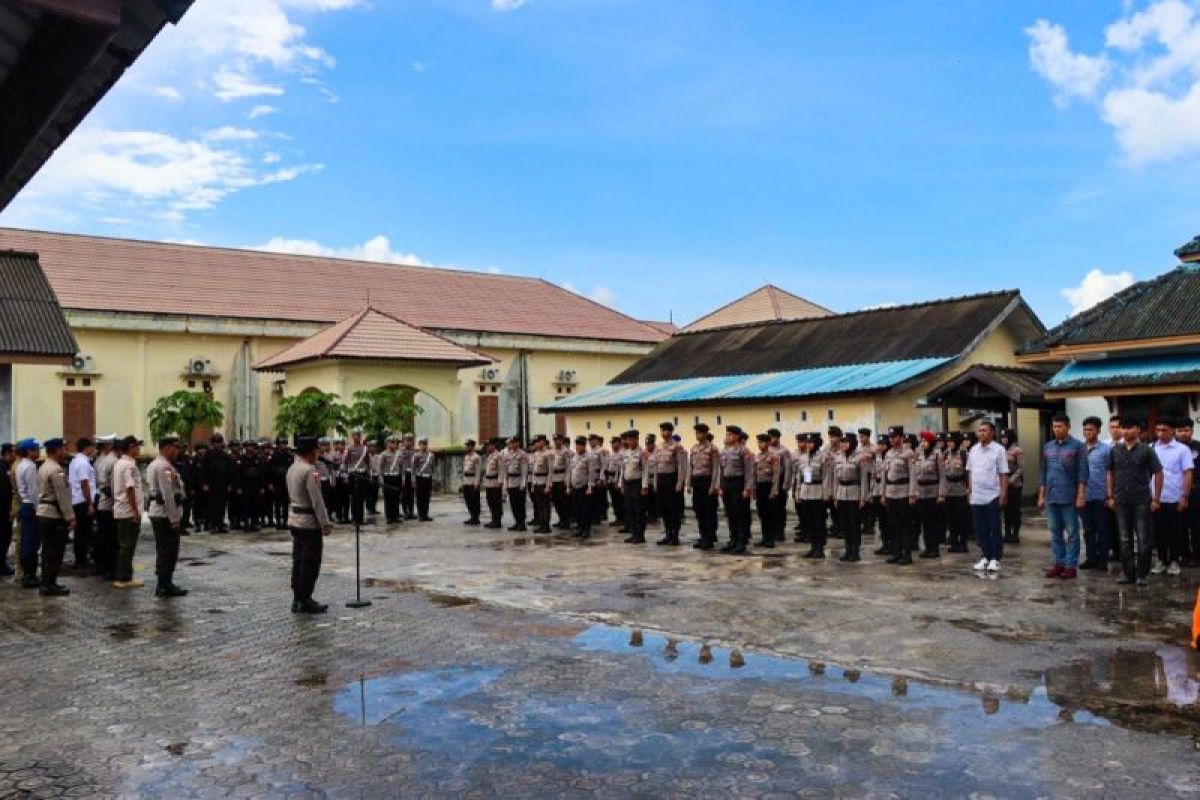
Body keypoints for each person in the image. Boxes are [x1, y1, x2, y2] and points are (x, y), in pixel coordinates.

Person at [1107, 418, 1162, 586]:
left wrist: (1156, 499)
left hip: (1141, 500)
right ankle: (1127, 573)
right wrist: (1110, 496)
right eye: (1124, 428)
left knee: (1143, 539)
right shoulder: (1116, 450)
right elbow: (1110, 473)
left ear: (1138, 429)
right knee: (1124, 539)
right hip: (1121, 500)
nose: (1126, 431)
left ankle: (1141, 574)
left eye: (1130, 428)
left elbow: (1158, 474)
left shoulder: (1147, 450)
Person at [287, 436, 333, 614]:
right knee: (310, 562)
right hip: (308, 523)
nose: (318, 454)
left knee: (298, 560)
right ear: (311, 452)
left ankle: (297, 597)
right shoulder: (309, 470)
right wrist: (325, 523)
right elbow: (317, 500)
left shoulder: (292, 468)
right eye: (316, 451)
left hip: (295, 520)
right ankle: (305, 598)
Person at [1038, 414, 1087, 579]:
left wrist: (1081, 494)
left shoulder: (1078, 446)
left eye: (1060, 426)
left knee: (1072, 532)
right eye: (1054, 426)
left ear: (1068, 427)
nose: (1056, 429)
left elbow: (1082, 473)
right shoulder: (1048, 447)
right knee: (1054, 531)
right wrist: (1041, 495)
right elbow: (1043, 472)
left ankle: (1071, 565)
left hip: (1069, 496)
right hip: (1051, 496)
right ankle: (1059, 562)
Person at [1149, 418, 1194, 576]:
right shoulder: (1151, 448)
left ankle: (1174, 561)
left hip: (1174, 497)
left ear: (1172, 431)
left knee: (1175, 532)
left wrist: (1184, 496)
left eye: (1164, 430)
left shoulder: (1182, 450)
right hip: (1156, 498)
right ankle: (1161, 560)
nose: (1160, 433)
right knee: (1158, 532)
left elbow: (1187, 474)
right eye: (1158, 430)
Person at [147, 436, 188, 597]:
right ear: (167, 448)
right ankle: (164, 585)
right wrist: (174, 518)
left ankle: (164, 582)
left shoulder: (156, 464)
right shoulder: (164, 467)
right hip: (164, 514)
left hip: (159, 512)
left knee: (164, 549)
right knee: (168, 550)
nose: (178, 452)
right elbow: (168, 494)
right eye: (175, 448)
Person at [34, 438, 75, 596]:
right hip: (53, 515)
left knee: (47, 551)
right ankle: (49, 583)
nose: (65, 452)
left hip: (44, 512)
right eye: (63, 449)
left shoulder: (43, 466)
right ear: (57, 450)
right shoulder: (55, 469)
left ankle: (47, 582)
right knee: (55, 551)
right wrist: (70, 517)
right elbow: (62, 496)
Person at [967, 421, 1009, 573]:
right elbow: (970, 472)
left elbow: (1003, 473)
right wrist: (970, 491)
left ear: (992, 433)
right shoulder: (973, 450)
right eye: (979, 431)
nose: (981, 433)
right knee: (980, 529)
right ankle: (985, 556)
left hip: (993, 495)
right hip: (977, 496)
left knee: (994, 528)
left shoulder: (999, 450)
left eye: (984, 430)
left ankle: (995, 558)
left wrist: (1003, 494)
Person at [1079, 416, 1113, 571]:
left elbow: (1111, 473)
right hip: (1084, 496)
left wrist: (1110, 494)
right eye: (1085, 429)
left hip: (1101, 495)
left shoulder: (1106, 450)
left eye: (1091, 429)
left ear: (1098, 430)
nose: (1087, 432)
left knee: (1103, 529)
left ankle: (1102, 560)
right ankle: (1090, 558)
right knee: (1088, 530)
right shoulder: (1079, 449)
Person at [112, 435, 145, 589]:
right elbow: (130, 488)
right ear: (131, 448)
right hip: (128, 511)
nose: (139, 450)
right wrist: (135, 511)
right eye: (137, 447)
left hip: (121, 509)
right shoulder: (129, 466)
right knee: (127, 546)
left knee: (125, 545)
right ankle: (124, 577)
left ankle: (124, 574)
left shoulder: (120, 463)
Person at [881, 426, 916, 565]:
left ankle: (907, 554)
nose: (891, 439)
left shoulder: (908, 453)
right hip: (890, 492)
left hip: (903, 492)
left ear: (901, 437)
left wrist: (912, 494)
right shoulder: (888, 454)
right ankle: (896, 552)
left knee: (905, 525)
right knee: (894, 525)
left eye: (894, 437)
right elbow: (884, 475)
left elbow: (913, 474)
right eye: (890, 437)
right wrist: (883, 494)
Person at [718, 425, 755, 555]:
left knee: (741, 514)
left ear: (737, 436)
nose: (727, 437)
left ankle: (741, 541)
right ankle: (733, 539)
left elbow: (749, 471)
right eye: (727, 434)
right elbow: (721, 470)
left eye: (730, 434)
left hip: (738, 483)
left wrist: (747, 488)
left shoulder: (744, 451)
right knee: (730, 513)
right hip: (727, 483)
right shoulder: (724, 451)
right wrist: (721, 486)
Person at [833, 434, 870, 562]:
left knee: (855, 524)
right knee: (845, 524)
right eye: (842, 442)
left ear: (852, 443)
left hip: (855, 493)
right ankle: (848, 550)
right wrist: (835, 496)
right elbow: (835, 479)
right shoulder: (838, 457)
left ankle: (855, 551)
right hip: (842, 493)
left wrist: (863, 498)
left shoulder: (859, 458)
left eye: (846, 442)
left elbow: (864, 479)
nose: (843, 445)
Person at [652, 422, 688, 546]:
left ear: (671, 432)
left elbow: (681, 465)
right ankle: (667, 533)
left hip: (672, 479)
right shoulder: (658, 447)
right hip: (661, 479)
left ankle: (675, 535)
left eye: (667, 430)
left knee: (673, 508)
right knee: (664, 508)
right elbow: (656, 466)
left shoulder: (677, 447)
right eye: (663, 430)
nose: (665, 433)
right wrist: (656, 482)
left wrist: (680, 482)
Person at [687, 423, 720, 550]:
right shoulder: (694, 448)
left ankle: (709, 538)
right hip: (697, 481)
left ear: (706, 434)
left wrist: (714, 486)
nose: (698, 435)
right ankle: (703, 536)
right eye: (696, 433)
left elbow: (716, 468)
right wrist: (688, 483)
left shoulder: (712, 449)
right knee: (699, 510)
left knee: (709, 511)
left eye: (700, 433)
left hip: (707, 481)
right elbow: (691, 466)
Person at [912, 433, 944, 559]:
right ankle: (927, 547)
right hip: (921, 492)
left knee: (933, 522)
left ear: (930, 442)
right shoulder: (918, 454)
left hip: (933, 492)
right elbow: (914, 474)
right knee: (924, 522)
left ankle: (934, 548)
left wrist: (941, 494)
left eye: (926, 441)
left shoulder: (937, 455)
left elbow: (942, 475)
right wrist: (914, 492)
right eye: (922, 440)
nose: (923, 443)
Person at [67, 437, 97, 572]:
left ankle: (80, 558)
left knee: (80, 532)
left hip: (77, 500)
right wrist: (90, 503)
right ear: (87, 448)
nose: (94, 450)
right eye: (92, 447)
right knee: (83, 532)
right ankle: (81, 560)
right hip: (83, 501)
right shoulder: (83, 463)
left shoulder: (75, 461)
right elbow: (84, 483)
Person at [15, 439, 41, 587]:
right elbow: (33, 491)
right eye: (36, 449)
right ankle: (30, 575)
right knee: (31, 542)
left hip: (25, 504)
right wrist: (38, 509)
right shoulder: (30, 467)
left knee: (27, 540)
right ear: (29, 451)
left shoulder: (20, 465)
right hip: (30, 505)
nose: (38, 452)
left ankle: (28, 573)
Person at [92, 435, 118, 578]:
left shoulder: (99, 461)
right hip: (109, 503)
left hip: (101, 500)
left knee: (103, 537)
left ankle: (102, 566)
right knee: (110, 539)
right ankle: (110, 568)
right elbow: (112, 486)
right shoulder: (112, 461)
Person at [941, 433, 970, 553]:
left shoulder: (964, 454)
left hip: (961, 490)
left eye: (952, 441)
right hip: (949, 490)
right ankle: (954, 543)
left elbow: (969, 472)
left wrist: (969, 489)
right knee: (951, 518)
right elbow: (942, 471)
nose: (949, 443)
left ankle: (963, 543)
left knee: (962, 518)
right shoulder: (946, 454)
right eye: (948, 441)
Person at [752, 433, 781, 550]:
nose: (760, 444)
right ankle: (764, 538)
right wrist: (753, 489)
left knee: (770, 514)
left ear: (768, 443)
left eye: (763, 442)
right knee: (762, 513)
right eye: (759, 442)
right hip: (760, 487)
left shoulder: (773, 457)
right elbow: (753, 474)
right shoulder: (757, 457)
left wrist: (774, 490)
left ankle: (771, 539)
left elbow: (776, 475)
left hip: (769, 486)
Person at [567, 435, 599, 539]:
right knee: (577, 510)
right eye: (576, 445)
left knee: (586, 510)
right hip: (575, 487)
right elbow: (570, 472)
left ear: (584, 446)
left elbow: (591, 473)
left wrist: (590, 487)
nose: (578, 447)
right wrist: (568, 486)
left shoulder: (589, 457)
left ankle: (586, 530)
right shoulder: (574, 457)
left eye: (580, 445)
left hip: (584, 487)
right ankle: (580, 528)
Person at [1177, 418, 1200, 566]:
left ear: (1192, 430)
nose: (1184, 433)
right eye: (1180, 431)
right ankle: (1183, 554)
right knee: (1180, 526)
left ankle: (1197, 556)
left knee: (1196, 526)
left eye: (1187, 430)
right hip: (1177, 492)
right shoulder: (1174, 449)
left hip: (1196, 492)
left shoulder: (1198, 447)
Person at [201, 434, 233, 533]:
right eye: (215, 443)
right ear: (212, 444)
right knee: (212, 505)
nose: (217, 445)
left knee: (222, 505)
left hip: (223, 484)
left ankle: (220, 524)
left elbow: (230, 471)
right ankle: (213, 525)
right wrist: (204, 483)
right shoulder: (208, 455)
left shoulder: (225, 456)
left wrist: (230, 484)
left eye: (219, 443)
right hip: (211, 484)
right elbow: (203, 471)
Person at [620, 430, 648, 544]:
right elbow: (623, 470)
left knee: (639, 511)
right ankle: (633, 533)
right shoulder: (625, 453)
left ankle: (640, 535)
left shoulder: (642, 453)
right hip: (627, 483)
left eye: (632, 439)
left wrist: (644, 486)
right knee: (629, 509)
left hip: (637, 483)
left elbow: (646, 470)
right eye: (628, 439)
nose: (630, 441)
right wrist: (621, 484)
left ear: (637, 439)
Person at [1001, 428, 1025, 544]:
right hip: (1002, 482)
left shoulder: (1017, 450)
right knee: (1005, 510)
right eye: (1002, 438)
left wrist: (1011, 479)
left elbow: (1021, 468)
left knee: (1014, 509)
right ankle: (1007, 533)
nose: (1004, 440)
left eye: (1006, 437)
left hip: (1014, 483)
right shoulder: (1000, 450)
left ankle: (1015, 533)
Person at [501, 436, 529, 531]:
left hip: (519, 482)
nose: (512, 444)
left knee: (520, 504)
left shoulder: (522, 454)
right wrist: (505, 484)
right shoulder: (507, 454)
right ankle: (517, 522)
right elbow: (505, 470)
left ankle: (522, 523)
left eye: (514, 442)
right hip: (511, 482)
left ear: (518, 443)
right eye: (511, 443)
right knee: (513, 504)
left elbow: (524, 471)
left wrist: (523, 484)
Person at [269, 437, 293, 530]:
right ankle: (278, 522)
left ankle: (285, 521)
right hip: (277, 482)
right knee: (278, 504)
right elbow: (270, 470)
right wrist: (270, 483)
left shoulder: (288, 455)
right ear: (278, 445)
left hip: (286, 482)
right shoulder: (274, 456)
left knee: (286, 504)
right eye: (282, 444)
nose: (284, 445)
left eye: (285, 444)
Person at [549, 434, 572, 529]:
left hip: (562, 478)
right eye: (555, 440)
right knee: (556, 501)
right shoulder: (551, 451)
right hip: (554, 478)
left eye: (558, 440)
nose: (556, 442)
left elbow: (568, 467)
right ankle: (561, 519)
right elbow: (550, 468)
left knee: (563, 502)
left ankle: (566, 521)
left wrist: (567, 481)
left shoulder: (565, 452)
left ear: (561, 441)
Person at [481, 438, 505, 528]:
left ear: (493, 446)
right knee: (490, 501)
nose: (486, 447)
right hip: (489, 482)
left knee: (496, 502)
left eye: (488, 446)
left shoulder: (498, 456)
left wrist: (500, 482)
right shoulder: (489, 456)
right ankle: (493, 519)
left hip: (495, 483)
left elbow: (501, 470)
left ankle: (497, 521)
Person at [413, 438, 436, 521]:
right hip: (420, 477)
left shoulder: (431, 455)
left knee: (427, 497)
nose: (424, 445)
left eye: (425, 444)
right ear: (419, 445)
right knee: (420, 497)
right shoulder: (416, 455)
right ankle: (420, 515)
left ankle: (425, 514)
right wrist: (413, 480)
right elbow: (413, 468)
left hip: (428, 478)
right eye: (422, 444)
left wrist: (433, 479)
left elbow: (433, 468)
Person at [461, 439, 482, 525]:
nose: (467, 447)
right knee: (468, 500)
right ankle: (472, 516)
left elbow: (478, 471)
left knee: (474, 500)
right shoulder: (466, 457)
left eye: (468, 445)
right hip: (466, 480)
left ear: (473, 446)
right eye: (466, 445)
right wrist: (462, 482)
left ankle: (476, 517)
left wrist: (476, 483)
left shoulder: (476, 457)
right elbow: (464, 470)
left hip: (473, 480)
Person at [606, 436, 625, 528]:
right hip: (610, 478)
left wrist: (618, 482)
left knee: (619, 501)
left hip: (617, 479)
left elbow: (620, 469)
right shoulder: (610, 454)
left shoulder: (621, 455)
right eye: (612, 443)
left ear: (619, 444)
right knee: (614, 501)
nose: (613, 445)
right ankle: (617, 517)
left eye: (615, 443)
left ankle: (622, 518)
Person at [0, 443, 13, 576]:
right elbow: (4, 493)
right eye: (13, 453)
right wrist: (8, 509)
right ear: (7, 453)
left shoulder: (5, 467)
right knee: (4, 537)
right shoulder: (3, 469)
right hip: (3, 511)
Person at [399, 434, 417, 520]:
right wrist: (401, 477)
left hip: (412, 474)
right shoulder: (401, 452)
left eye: (410, 440)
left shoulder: (415, 452)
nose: (409, 442)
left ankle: (411, 512)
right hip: (404, 474)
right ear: (404, 441)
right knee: (404, 494)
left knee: (411, 494)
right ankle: (405, 512)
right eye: (407, 440)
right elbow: (399, 465)